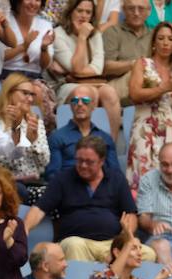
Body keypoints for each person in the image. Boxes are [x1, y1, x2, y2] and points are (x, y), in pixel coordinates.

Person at [25, 135, 157, 263]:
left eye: (89, 162)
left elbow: (130, 215)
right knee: (73, 245)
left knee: (148, 254)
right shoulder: (63, 179)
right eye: (79, 160)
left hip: (111, 243)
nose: (83, 165)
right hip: (78, 242)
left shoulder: (116, 179)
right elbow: (39, 209)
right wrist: (24, 229)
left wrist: (122, 242)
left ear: (102, 161)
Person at [126, 22, 172, 191]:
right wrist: (164, 88)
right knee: (142, 176)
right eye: (161, 38)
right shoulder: (143, 64)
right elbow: (134, 95)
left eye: (170, 39)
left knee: (171, 176)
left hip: (170, 129)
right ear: (154, 42)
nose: (165, 43)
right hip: (145, 126)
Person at [46, 0, 121, 140]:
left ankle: (111, 144)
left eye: (88, 12)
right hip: (66, 87)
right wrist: (81, 38)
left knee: (109, 92)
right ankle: (87, 143)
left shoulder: (96, 35)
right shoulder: (58, 34)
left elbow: (98, 68)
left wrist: (78, 72)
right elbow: (75, 68)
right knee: (89, 92)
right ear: (70, 12)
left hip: (93, 82)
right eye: (79, 11)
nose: (84, 16)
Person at [0, 74, 49, 204]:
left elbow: (44, 162)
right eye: (25, 93)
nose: (30, 99)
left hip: (34, 184)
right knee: (20, 191)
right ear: (9, 92)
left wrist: (32, 142)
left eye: (32, 94)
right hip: (4, 183)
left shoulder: (35, 122)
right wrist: (21, 136)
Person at [45, 85, 120, 179]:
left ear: (93, 106)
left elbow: (116, 174)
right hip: (68, 188)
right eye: (75, 100)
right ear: (71, 106)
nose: (80, 104)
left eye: (85, 100)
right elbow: (52, 175)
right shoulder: (57, 137)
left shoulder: (105, 138)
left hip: (100, 189)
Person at [103, 0, 153, 106]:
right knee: (138, 74)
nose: (136, 13)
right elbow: (106, 67)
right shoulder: (112, 32)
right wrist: (134, 64)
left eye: (141, 9)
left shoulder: (153, 34)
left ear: (149, 11)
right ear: (123, 10)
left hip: (149, 83)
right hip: (117, 84)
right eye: (131, 8)